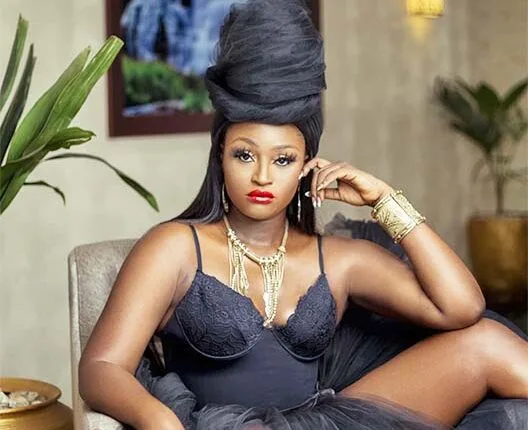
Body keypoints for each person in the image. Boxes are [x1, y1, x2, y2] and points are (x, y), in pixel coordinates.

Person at [79, 1, 528, 429]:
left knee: (486, 344)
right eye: (244, 155)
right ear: (220, 156)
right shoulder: (175, 248)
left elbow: (461, 308)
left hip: (330, 420)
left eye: (282, 159)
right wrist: (158, 419)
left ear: (306, 166)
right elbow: (101, 367)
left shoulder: (338, 260)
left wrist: (383, 198)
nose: (261, 176)